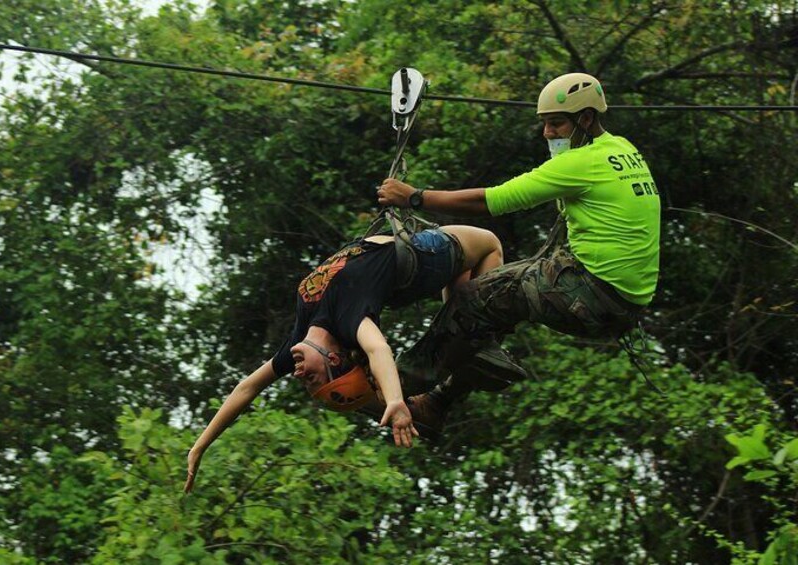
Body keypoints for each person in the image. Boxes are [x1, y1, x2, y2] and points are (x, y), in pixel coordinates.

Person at [376, 72, 661, 434]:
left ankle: (398, 383)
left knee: (471, 298)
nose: (547, 133)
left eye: (556, 124)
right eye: (544, 124)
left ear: (585, 119)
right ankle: (440, 400)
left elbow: (493, 200)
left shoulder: (582, 162)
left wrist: (414, 197)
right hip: (626, 302)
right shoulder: (624, 150)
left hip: (593, 291)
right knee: (490, 312)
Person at [183, 224, 505, 493]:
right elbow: (378, 349)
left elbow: (247, 388)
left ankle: (475, 338)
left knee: (464, 309)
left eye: (307, 382)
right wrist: (395, 402)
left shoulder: (300, 334)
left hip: (410, 255)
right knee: (490, 246)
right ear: (334, 360)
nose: (297, 376)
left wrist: (200, 445)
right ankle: (482, 339)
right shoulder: (348, 321)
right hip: (427, 258)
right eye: (312, 378)